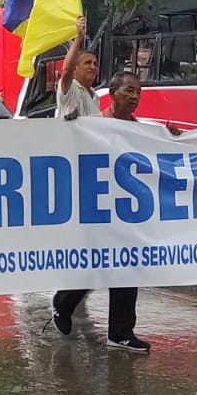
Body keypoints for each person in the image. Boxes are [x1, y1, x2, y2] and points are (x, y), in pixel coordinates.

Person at [51, 69, 155, 353]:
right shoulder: (92, 124)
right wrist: (70, 126)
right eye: (129, 91)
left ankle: (121, 333)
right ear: (113, 94)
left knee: (127, 266)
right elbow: (66, 148)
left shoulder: (140, 129)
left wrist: (170, 137)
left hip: (126, 212)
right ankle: (64, 303)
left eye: (138, 92)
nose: (134, 97)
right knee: (95, 266)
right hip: (95, 209)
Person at [55, 15, 97, 119]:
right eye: (88, 63)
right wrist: (78, 37)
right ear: (75, 67)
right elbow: (67, 71)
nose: (93, 67)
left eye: (95, 64)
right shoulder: (70, 88)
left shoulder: (95, 96)